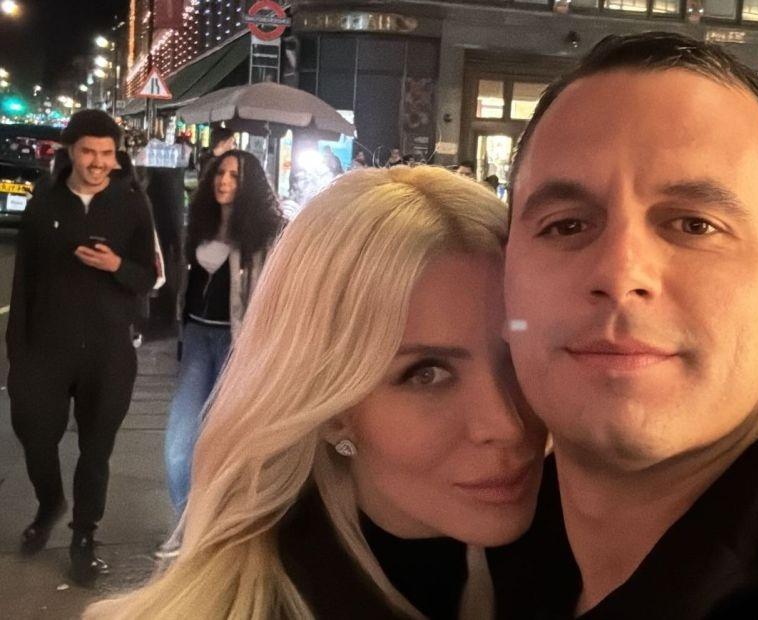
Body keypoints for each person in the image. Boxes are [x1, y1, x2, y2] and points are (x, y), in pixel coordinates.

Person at [84, 166, 547, 619]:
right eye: (425, 374)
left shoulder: (554, 565)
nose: (507, 424)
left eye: (521, 353)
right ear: (333, 411)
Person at [490, 32, 758, 618]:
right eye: (566, 225)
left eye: (695, 225)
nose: (619, 273)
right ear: (504, 285)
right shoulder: (469, 559)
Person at [7, 109, 156, 585]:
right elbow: (23, 281)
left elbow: (149, 277)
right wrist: (16, 351)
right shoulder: (44, 203)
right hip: (45, 349)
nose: (97, 162)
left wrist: (116, 266)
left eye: (107, 153)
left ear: (117, 156)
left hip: (108, 352)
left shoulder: (132, 204)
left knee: (95, 451)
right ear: (70, 151)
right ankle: (50, 501)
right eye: (89, 151)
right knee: (35, 435)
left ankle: (84, 537)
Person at [158, 149, 286, 557]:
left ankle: (223, 530)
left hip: (240, 347)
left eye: (234, 175)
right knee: (180, 444)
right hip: (197, 339)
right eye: (220, 172)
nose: (223, 181)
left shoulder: (270, 235)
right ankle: (189, 528)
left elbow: (281, 297)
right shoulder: (199, 223)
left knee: (232, 446)